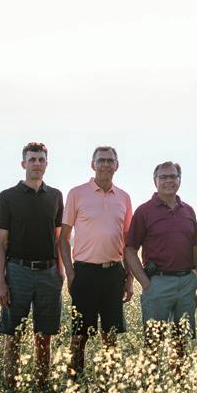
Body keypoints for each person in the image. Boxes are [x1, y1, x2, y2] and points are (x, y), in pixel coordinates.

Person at [0, 141, 64, 393]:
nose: (36, 164)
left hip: (48, 274)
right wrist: (1, 281)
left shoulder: (55, 196)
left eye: (41, 159)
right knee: (13, 335)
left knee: (44, 336)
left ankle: (42, 390)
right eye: (32, 159)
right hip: (17, 272)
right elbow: (1, 243)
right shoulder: (7, 196)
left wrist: (60, 272)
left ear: (47, 164)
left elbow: (58, 238)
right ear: (23, 164)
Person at [59, 146, 133, 375]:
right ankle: (75, 381)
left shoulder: (124, 197)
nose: (106, 165)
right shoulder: (76, 193)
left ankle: (108, 384)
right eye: (101, 160)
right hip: (85, 273)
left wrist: (129, 278)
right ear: (93, 165)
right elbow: (63, 238)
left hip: (114, 273)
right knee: (79, 334)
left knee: (110, 335)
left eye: (110, 161)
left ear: (117, 166)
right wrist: (70, 272)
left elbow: (127, 242)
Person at [125, 162, 197, 351]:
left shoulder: (188, 211)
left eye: (173, 176)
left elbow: (195, 251)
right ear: (155, 181)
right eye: (163, 177)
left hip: (186, 284)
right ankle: (152, 373)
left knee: (182, 344)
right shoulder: (144, 211)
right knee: (153, 344)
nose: (169, 181)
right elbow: (130, 250)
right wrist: (146, 284)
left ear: (179, 179)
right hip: (158, 284)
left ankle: (179, 372)